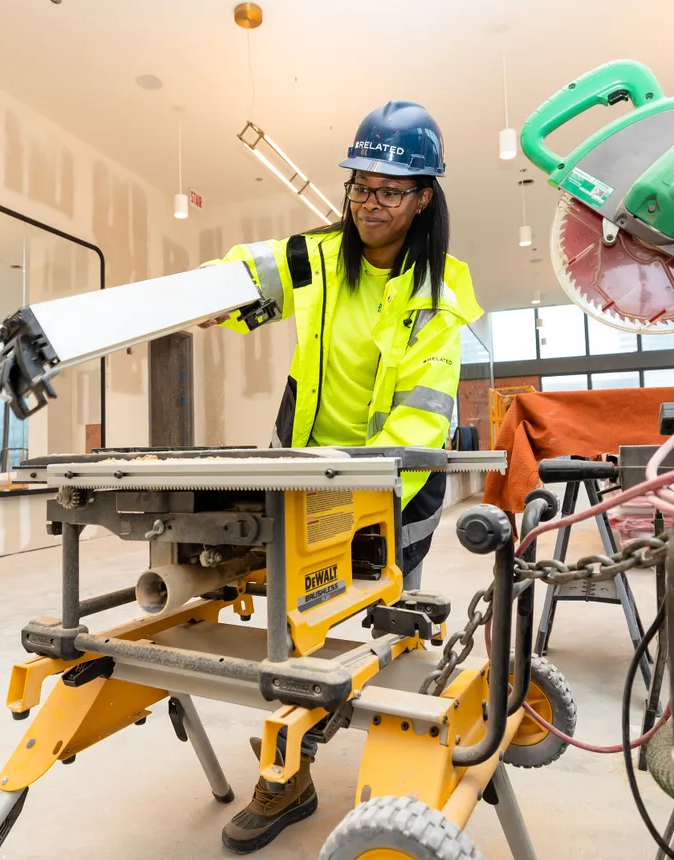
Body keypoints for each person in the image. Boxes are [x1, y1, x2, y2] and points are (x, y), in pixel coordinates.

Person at [201, 100, 482, 854]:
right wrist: (209, 295)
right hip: (304, 475)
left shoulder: (438, 295)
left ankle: (414, 743)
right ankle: (288, 776)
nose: (370, 204)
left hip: (395, 484)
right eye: (360, 186)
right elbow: (249, 273)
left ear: (425, 196)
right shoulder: (320, 256)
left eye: (391, 190)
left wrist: (357, 498)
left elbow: (423, 417)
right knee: (295, 629)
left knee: (391, 623)